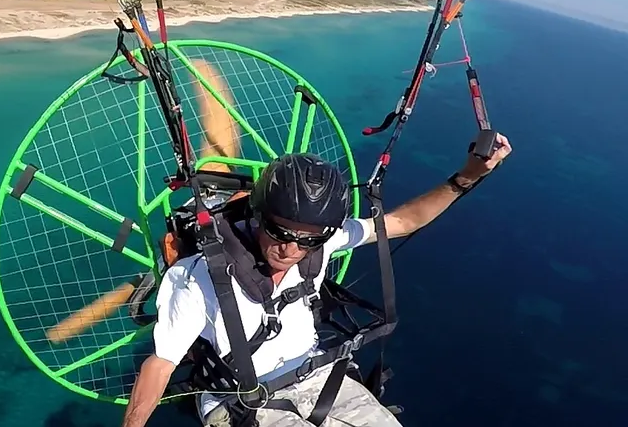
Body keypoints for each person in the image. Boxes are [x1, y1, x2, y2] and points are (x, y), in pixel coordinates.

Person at [119, 60, 513, 427]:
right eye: (281, 232)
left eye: (309, 239)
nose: (291, 249)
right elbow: (161, 364)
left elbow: (402, 221)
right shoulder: (201, 276)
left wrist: (466, 176)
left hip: (318, 376)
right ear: (258, 215)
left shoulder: (323, 244)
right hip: (239, 397)